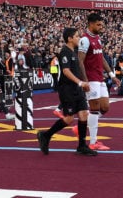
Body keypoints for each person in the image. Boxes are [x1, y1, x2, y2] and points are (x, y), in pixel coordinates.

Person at [37, 27, 96, 156]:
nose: (79, 38)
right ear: (69, 39)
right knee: (69, 119)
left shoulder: (73, 52)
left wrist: (82, 83)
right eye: (76, 36)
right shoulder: (65, 52)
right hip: (67, 89)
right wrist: (80, 82)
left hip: (77, 89)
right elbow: (66, 71)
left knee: (83, 114)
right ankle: (46, 135)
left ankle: (81, 146)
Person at [77, 13, 116, 151]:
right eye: (98, 25)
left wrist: (111, 74)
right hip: (91, 78)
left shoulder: (98, 38)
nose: (101, 27)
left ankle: (83, 124)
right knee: (94, 109)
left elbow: (102, 57)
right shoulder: (85, 40)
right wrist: (85, 81)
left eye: (102, 25)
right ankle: (93, 142)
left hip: (100, 78)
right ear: (91, 24)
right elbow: (80, 60)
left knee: (105, 107)